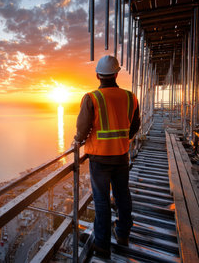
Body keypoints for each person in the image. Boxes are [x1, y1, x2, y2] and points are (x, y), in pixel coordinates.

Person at [74, 55, 140, 259]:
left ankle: (102, 245)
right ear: (116, 73)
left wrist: (77, 140)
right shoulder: (131, 97)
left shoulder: (92, 98)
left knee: (102, 202)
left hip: (100, 159)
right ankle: (123, 235)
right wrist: (121, 139)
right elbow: (134, 126)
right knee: (122, 195)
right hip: (121, 156)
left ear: (98, 75)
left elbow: (82, 129)